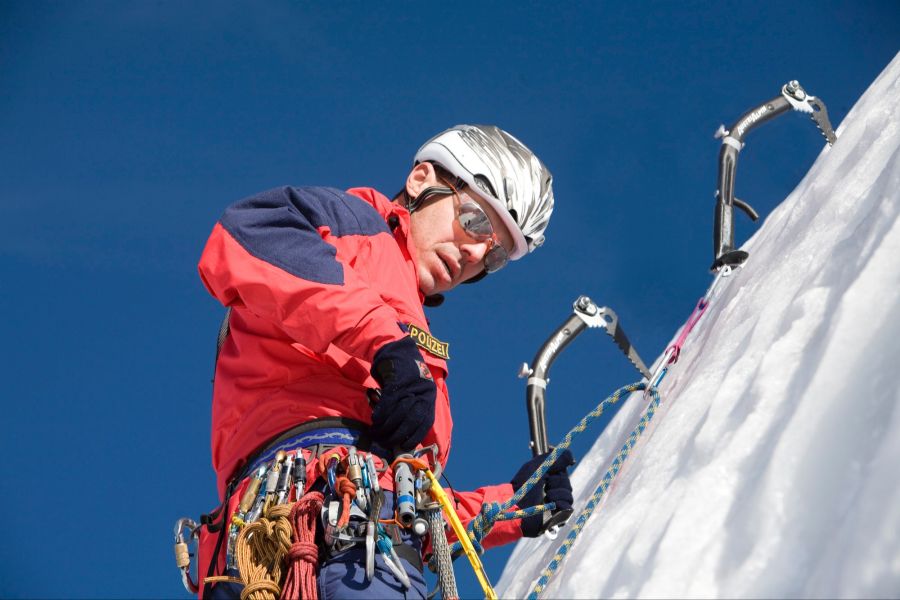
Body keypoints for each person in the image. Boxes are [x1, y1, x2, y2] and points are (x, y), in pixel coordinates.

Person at [195, 124, 575, 599]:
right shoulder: (350, 226)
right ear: (421, 180)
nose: (476, 252)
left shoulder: (409, 333)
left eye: (494, 257)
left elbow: (410, 502)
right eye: (476, 221)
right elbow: (246, 234)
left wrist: (508, 506)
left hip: (355, 535)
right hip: (297, 522)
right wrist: (385, 344)